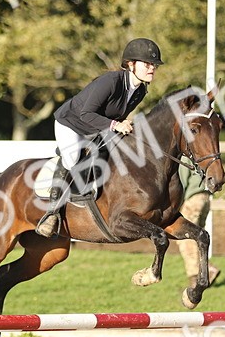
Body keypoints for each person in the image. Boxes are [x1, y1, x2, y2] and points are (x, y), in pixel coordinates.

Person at [36, 38, 164, 237]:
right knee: (72, 159)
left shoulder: (141, 90)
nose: (152, 68)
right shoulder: (111, 81)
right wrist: (115, 125)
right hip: (71, 124)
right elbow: (86, 114)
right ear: (131, 64)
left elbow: (118, 115)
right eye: (147, 64)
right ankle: (51, 212)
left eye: (153, 65)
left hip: (97, 128)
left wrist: (124, 126)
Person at [177, 165, 220, 287]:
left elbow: (182, 181)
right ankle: (207, 269)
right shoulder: (200, 153)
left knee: (185, 237)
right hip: (205, 197)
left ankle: (196, 277)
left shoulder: (185, 156)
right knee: (197, 239)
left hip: (192, 198)